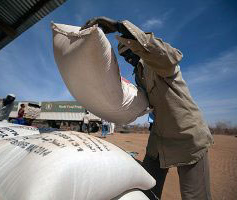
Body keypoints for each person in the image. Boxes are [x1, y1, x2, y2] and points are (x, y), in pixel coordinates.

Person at [81, 17, 214, 200]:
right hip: (159, 138)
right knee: (148, 188)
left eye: (130, 52)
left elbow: (166, 54)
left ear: (137, 48)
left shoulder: (160, 64)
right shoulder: (139, 75)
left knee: (194, 196)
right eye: (124, 57)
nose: (128, 59)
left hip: (188, 136)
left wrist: (120, 27)